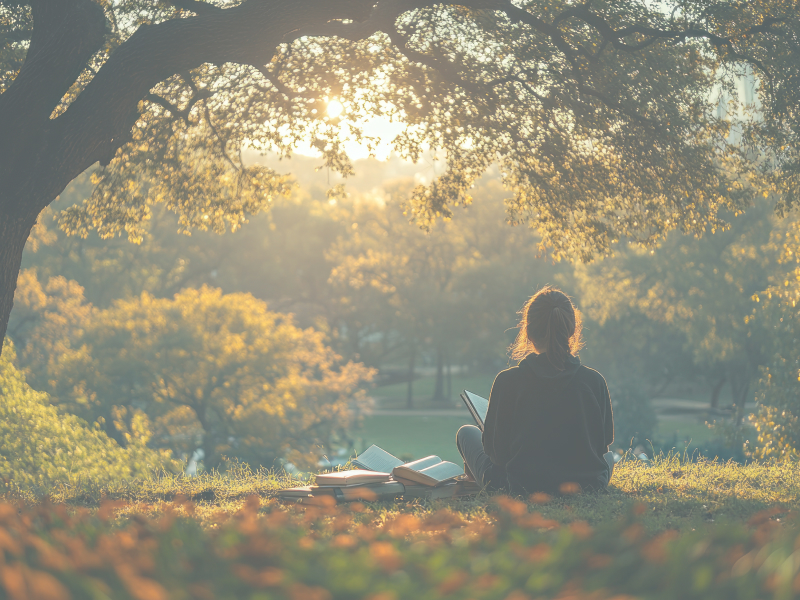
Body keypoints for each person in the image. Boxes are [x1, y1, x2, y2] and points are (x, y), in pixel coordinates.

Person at [456, 285, 615, 495]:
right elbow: (602, 446)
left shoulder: (507, 381)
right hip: (586, 486)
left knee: (466, 432)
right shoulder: (595, 381)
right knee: (611, 458)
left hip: (520, 487)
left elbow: (497, 456)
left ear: (528, 332)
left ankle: (475, 483)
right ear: (571, 330)